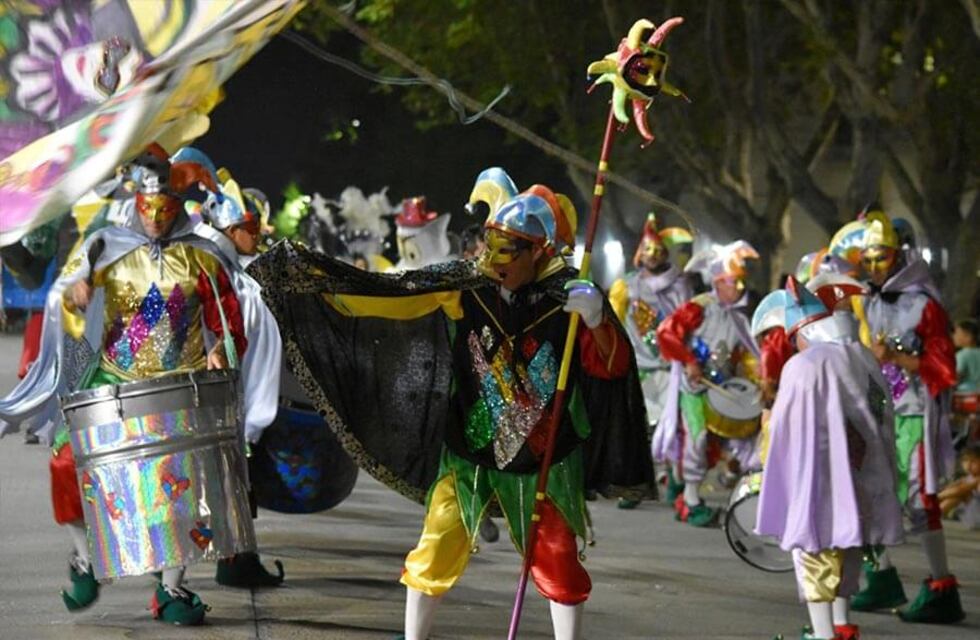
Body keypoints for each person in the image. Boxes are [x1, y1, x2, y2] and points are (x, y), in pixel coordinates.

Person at [247, 182, 654, 640]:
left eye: (510, 251)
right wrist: (317, 286)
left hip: (546, 458)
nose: (496, 260)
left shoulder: (571, 300)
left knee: (557, 557)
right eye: (492, 245)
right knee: (437, 545)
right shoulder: (467, 287)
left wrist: (598, 321)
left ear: (538, 252)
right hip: (469, 451)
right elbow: (392, 296)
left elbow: (613, 366)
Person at [0, 144, 265, 625]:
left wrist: (219, 350)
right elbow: (68, 297)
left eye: (164, 209)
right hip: (114, 378)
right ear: (134, 204)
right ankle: (86, 562)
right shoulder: (105, 246)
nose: (156, 220)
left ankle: (171, 590)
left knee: (179, 492)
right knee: (65, 464)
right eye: (148, 210)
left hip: (179, 385)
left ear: (177, 205)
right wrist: (77, 294)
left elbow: (228, 319)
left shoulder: (202, 255)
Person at [757, 279, 903, 640]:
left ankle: (823, 634)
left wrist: (767, 426)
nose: (795, 345)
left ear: (802, 330)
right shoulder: (862, 356)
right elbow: (880, 414)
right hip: (861, 475)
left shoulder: (805, 365)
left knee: (814, 556)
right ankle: (843, 626)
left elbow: (788, 430)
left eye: (794, 337)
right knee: (847, 551)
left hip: (818, 480)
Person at [847, 211, 964, 624]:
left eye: (883, 257)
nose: (874, 266)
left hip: (913, 413)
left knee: (920, 500)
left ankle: (941, 587)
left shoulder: (923, 305)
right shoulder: (866, 300)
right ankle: (880, 578)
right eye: (869, 258)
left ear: (901, 256)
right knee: (869, 492)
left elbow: (944, 367)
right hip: (878, 411)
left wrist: (895, 357)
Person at [192, 155, 287, 589]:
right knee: (226, 483)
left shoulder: (233, 273)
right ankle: (232, 561)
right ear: (232, 230)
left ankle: (237, 557)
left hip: (228, 401)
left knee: (232, 483)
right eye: (252, 229)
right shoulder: (223, 277)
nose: (259, 235)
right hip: (223, 401)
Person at [653, 240, 762, 526]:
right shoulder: (698, 307)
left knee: (728, 441)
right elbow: (666, 333)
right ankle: (690, 499)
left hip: (723, 390)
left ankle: (693, 489)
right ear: (718, 282)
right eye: (732, 282)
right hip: (695, 389)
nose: (738, 288)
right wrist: (689, 360)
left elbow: (744, 354)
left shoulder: (740, 316)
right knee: (697, 438)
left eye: (740, 282)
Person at [608, 213, 693, 506]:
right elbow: (613, 323)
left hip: (671, 367)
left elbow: (688, 322)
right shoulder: (626, 286)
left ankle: (676, 483)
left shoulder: (681, 285)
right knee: (635, 429)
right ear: (639, 254)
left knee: (674, 427)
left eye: (658, 251)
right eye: (647, 250)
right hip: (638, 366)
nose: (652, 256)